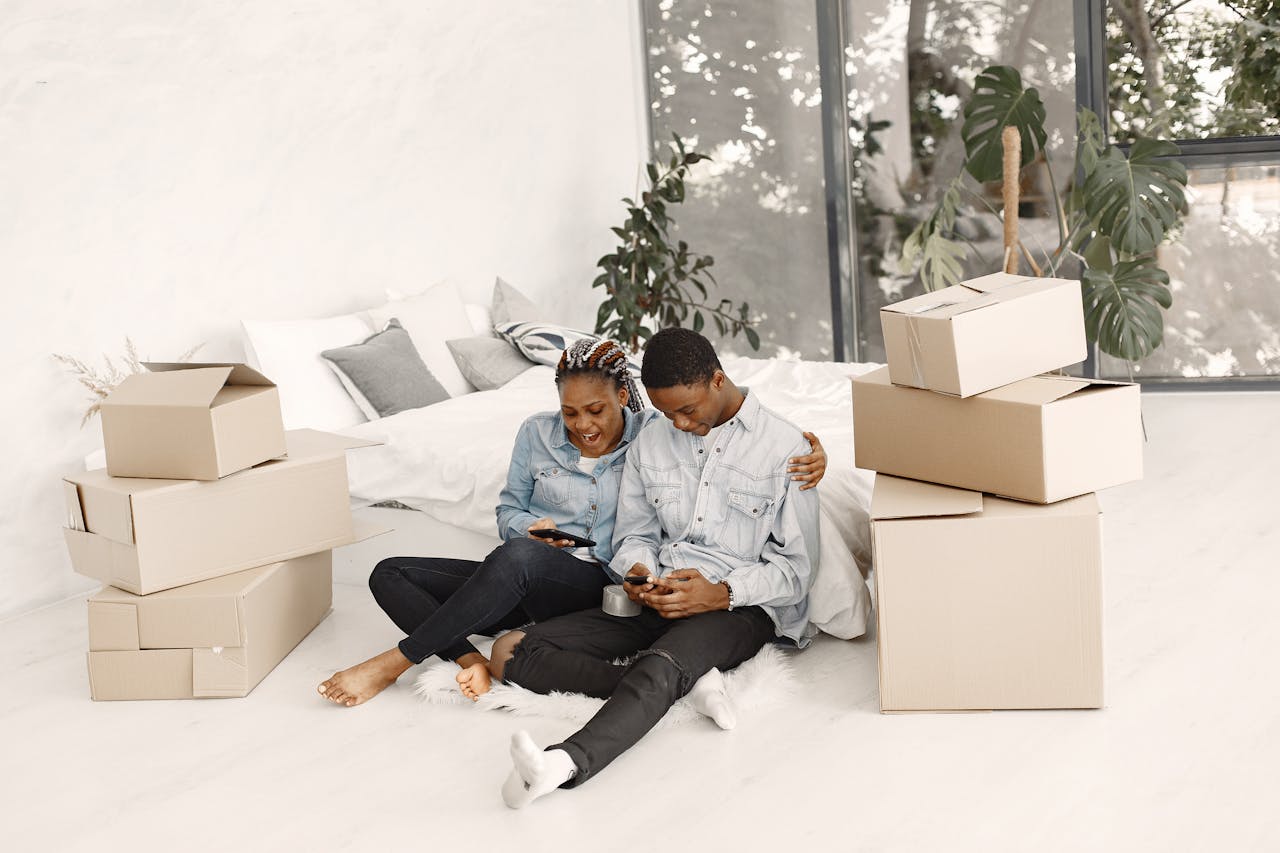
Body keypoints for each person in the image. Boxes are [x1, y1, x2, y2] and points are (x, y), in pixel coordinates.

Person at [316, 337, 827, 707]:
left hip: (596, 581)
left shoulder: (655, 432)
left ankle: (397, 661)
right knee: (391, 572)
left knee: (515, 559)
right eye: (570, 413)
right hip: (528, 571)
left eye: (597, 411)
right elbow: (507, 511)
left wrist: (811, 452)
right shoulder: (535, 435)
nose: (584, 426)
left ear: (624, 398)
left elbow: (725, 440)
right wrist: (527, 528)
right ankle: (469, 659)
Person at [485, 327, 821, 808]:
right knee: (511, 651)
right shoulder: (653, 439)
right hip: (660, 592)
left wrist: (720, 593)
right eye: (666, 413)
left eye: (687, 410)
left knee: (660, 666)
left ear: (717, 380)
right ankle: (689, 684)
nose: (679, 425)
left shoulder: (787, 450)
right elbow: (633, 534)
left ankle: (560, 766)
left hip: (740, 606)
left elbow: (795, 572)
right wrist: (638, 574)